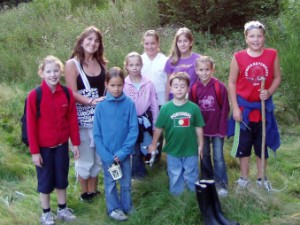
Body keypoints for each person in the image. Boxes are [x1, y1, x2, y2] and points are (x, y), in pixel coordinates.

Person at [228, 21, 281, 190]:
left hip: (263, 109)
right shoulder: (238, 57)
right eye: (252, 36)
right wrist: (235, 108)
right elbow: (232, 83)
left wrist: (269, 91)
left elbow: (277, 77)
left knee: (261, 144)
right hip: (244, 109)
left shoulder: (272, 54)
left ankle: (262, 179)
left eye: (259, 36)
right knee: (244, 145)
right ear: (246, 38)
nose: (256, 39)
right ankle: (244, 179)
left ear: (264, 37)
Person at [27, 55, 79, 225]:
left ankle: (62, 209)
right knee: (45, 179)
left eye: (56, 71)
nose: (53, 75)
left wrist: (75, 143)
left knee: (61, 177)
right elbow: (31, 126)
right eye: (48, 71)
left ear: (61, 72)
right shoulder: (35, 95)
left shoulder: (66, 93)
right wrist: (35, 152)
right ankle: (46, 213)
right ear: (41, 73)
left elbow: (72, 118)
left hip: (62, 145)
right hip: (43, 148)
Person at [65, 25, 108, 202]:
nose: (93, 43)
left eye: (96, 40)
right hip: (81, 120)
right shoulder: (72, 64)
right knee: (84, 159)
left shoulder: (102, 63)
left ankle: (94, 191)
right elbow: (71, 93)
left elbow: (106, 90)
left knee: (97, 157)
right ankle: (85, 194)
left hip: (100, 120)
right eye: (89, 39)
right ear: (82, 41)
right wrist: (91, 101)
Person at [148, 72, 205, 196]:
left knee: (191, 174)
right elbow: (158, 128)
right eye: (176, 86)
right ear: (171, 88)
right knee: (175, 174)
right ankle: (176, 197)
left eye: (182, 86)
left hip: (190, 149)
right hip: (173, 150)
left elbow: (198, 127)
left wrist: (201, 144)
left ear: (188, 89)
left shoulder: (194, 108)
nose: (179, 89)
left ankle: (192, 197)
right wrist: (153, 144)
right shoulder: (165, 108)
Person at [93, 67, 138, 221]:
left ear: (123, 84)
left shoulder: (129, 104)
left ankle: (127, 206)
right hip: (108, 156)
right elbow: (97, 134)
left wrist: (123, 152)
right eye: (112, 85)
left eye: (119, 85)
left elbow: (133, 130)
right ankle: (114, 208)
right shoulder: (101, 106)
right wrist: (106, 156)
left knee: (126, 183)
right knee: (111, 183)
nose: (116, 89)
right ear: (106, 84)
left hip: (124, 154)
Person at [189, 56, 230, 197]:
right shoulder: (194, 89)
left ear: (213, 70)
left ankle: (221, 184)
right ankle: (207, 181)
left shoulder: (220, 87)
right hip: (202, 130)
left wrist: (223, 129)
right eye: (201, 70)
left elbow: (225, 109)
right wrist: (194, 129)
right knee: (204, 155)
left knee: (218, 157)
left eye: (207, 69)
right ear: (196, 71)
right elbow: (192, 110)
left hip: (217, 129)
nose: (204, 73)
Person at [123, 52, 159, 179]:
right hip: (129, 121)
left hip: (145, 121)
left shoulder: (148, 83)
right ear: (126, 66)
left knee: (145, 147)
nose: (134, 67)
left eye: (137, 64)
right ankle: (135, 175)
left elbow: (154, 104)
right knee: (133, 148)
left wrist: (155, 124)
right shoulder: (123, 84)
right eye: (131, 65)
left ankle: (143, 169)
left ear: (141, 65)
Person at [141, 29, 168, 161]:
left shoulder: (165, 60)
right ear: (143, 44)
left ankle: (156, 158)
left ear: (158, 44)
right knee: (146, 128)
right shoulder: (140, 60)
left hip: (161, 100)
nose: (150, 46)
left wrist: (168, 100)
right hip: (144, 101)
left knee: (158, 129)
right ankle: (145, 155)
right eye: (147, 43)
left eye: (153, 43)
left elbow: (168, 81)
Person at [164, 27, 201, 100]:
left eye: (185, 41)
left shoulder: (198, 59)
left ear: (191, 42)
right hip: (174, 99)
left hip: (192, 99)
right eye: (179, 41)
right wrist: (166, 100)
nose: (182, 44)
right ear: (176, 43)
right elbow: (168, 82)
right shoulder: (171, 60)